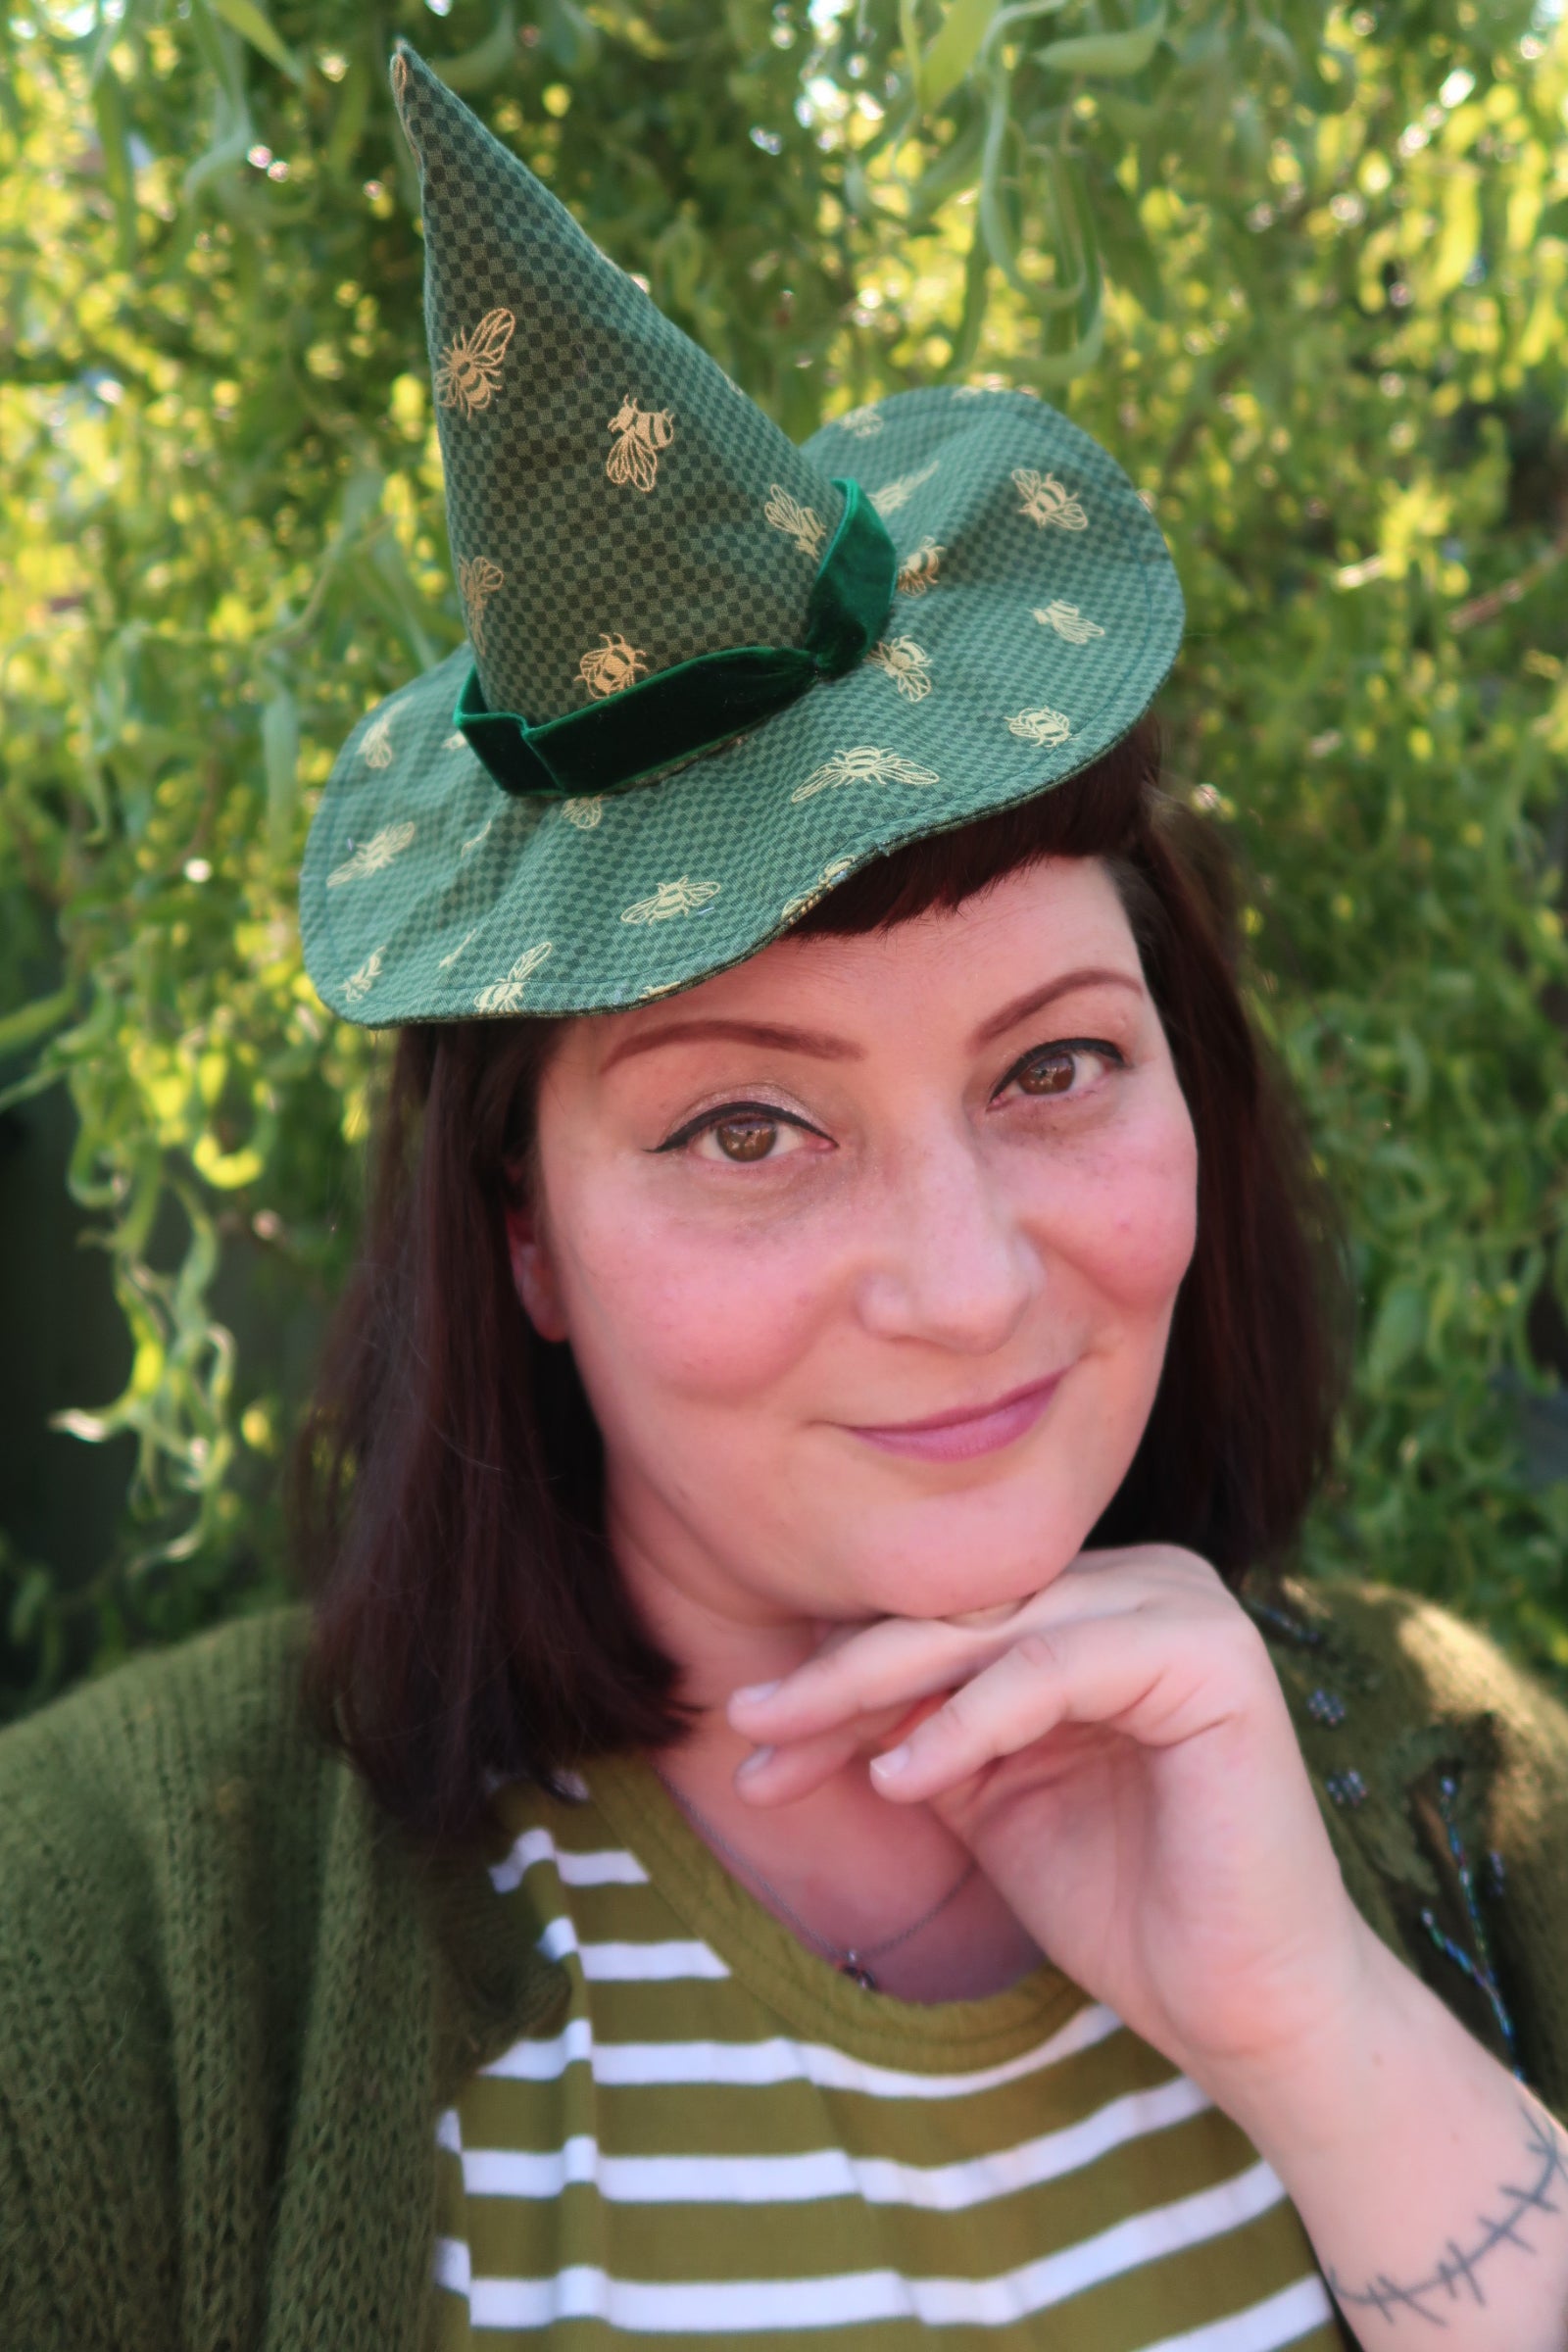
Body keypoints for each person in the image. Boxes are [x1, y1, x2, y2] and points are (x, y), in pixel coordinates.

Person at [2, 38, 1566, 2352]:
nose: (960, 1285)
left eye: (1052, 1066)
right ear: (517, 1231)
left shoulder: (1464, 1791)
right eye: (746, 1126)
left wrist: (1326, 2044)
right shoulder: (105, 1938)